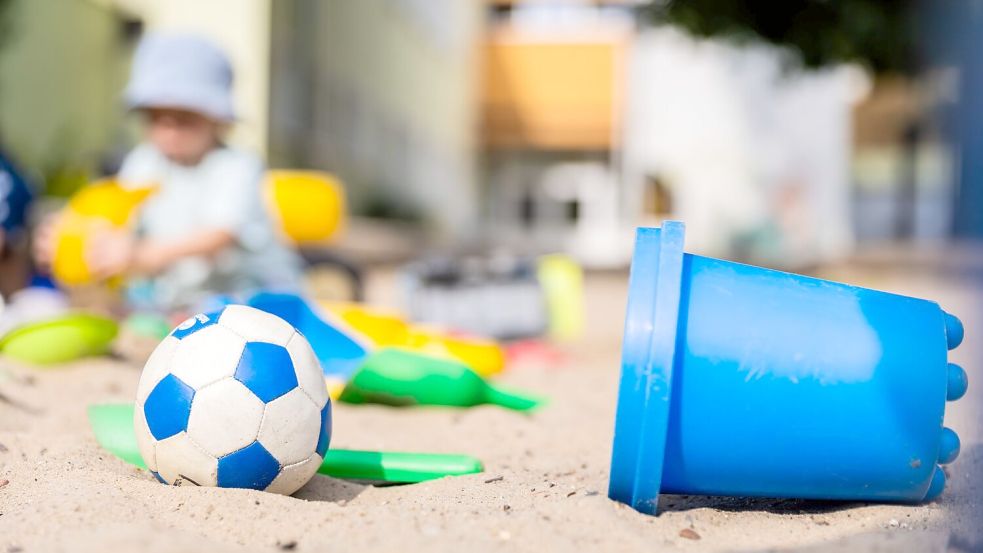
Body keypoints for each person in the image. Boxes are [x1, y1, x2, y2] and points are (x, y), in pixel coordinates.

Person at [36, 33, 302, 311]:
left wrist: (139, 255)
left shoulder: (236, 165)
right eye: (155, 118)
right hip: (187, 302)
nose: (168, 132)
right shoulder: (145, 161)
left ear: (220, 121)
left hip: (258, 299)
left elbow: (217, 237)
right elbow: (119, 217)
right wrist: (75, 236)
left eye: (184, 120)